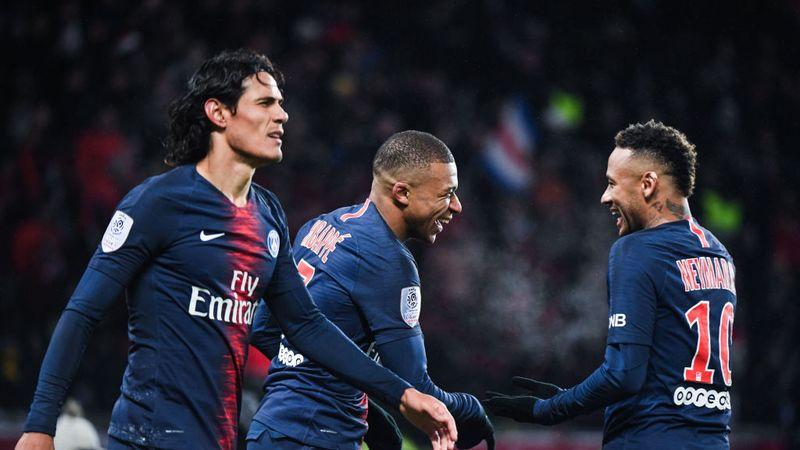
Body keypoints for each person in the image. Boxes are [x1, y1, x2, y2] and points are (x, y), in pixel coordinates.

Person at [16, 49, 457, 450]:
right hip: (146, 439)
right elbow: (82, 313)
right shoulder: (158, 203)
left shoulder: (268, 215)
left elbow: (306, 326)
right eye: (265, 103)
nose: (282, 115)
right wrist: (40, 425)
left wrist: (402, 393)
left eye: (281, 103)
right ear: (219, 113)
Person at [484, 120, 737, 449]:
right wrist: (570, 395)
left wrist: (549, 409)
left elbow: (624, 374)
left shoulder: (637, 249)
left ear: (648, 184)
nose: (605, 197)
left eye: (612, 184)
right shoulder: (719, 254)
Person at [247, 131, 495, 450]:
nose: (456, 207)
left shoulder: (320, 226)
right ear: (402, 193)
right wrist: (470, 409)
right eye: (447, 194)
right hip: (317, 438)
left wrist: (357, 400)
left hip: (270, 430)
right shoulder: (387, 260)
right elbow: (416, 388)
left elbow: (264, 330)